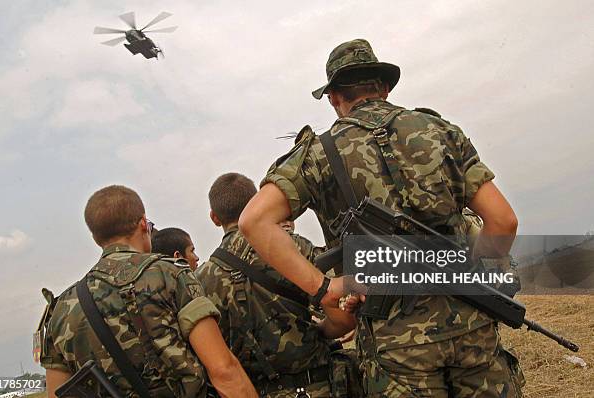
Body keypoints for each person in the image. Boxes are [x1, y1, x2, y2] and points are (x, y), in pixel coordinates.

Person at [239, 39, 524, 397]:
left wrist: (325, 288)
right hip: (472, 326)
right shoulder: (441, 132)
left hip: (394, 345)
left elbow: (254, 221)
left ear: (334, 98)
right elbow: (503, 222)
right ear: (385, 88)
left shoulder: (318, 153)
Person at [37, 185, 256, 398]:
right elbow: (223, 370)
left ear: (96, 238)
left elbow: (57, 392)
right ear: (143, 224)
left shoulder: (61, 310)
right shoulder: (169, 274)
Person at [195, 173, 359, 398]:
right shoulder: (292, 248)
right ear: (255, 203)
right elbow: (344, 316)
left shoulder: (200, 279)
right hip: (316, 387)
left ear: (214, 218)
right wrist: (320, 329)